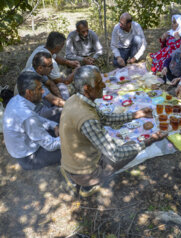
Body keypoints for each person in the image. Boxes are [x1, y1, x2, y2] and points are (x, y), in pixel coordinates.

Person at [59, 65, 167, 197]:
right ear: (87, 88)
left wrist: (136, 115)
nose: (104, 85)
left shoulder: (74, 99)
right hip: (84, 171)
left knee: (121, 146)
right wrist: (149, 141)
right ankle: (88, 185)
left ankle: (74, 175)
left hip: (71, 161)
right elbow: (116, 155)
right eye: (99, 83)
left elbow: (105, 118)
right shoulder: (87, 119)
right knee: (129, 150)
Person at [3, 71, 61, 170]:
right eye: (39, 89)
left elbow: (37, 118)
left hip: (27, 144)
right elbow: (50, 145)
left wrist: (54, 125)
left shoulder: (17, 99)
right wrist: (68, 137)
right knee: (72, 146)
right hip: (29, 157)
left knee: (57, 118)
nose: (43, 92)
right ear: (29, 92)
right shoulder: (26, 116)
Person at [23, 52, 72, 122]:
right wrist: (69, 106)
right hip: (38, 111)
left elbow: (51, 84)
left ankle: (64, 104)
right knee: (63, 111)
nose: (52, 68)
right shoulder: (32, 79)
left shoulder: (38, 71)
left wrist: (60, 98)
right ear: (40, 68)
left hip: (45, 101)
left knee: (61, 86)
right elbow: (51, 98)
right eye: (50, 66)